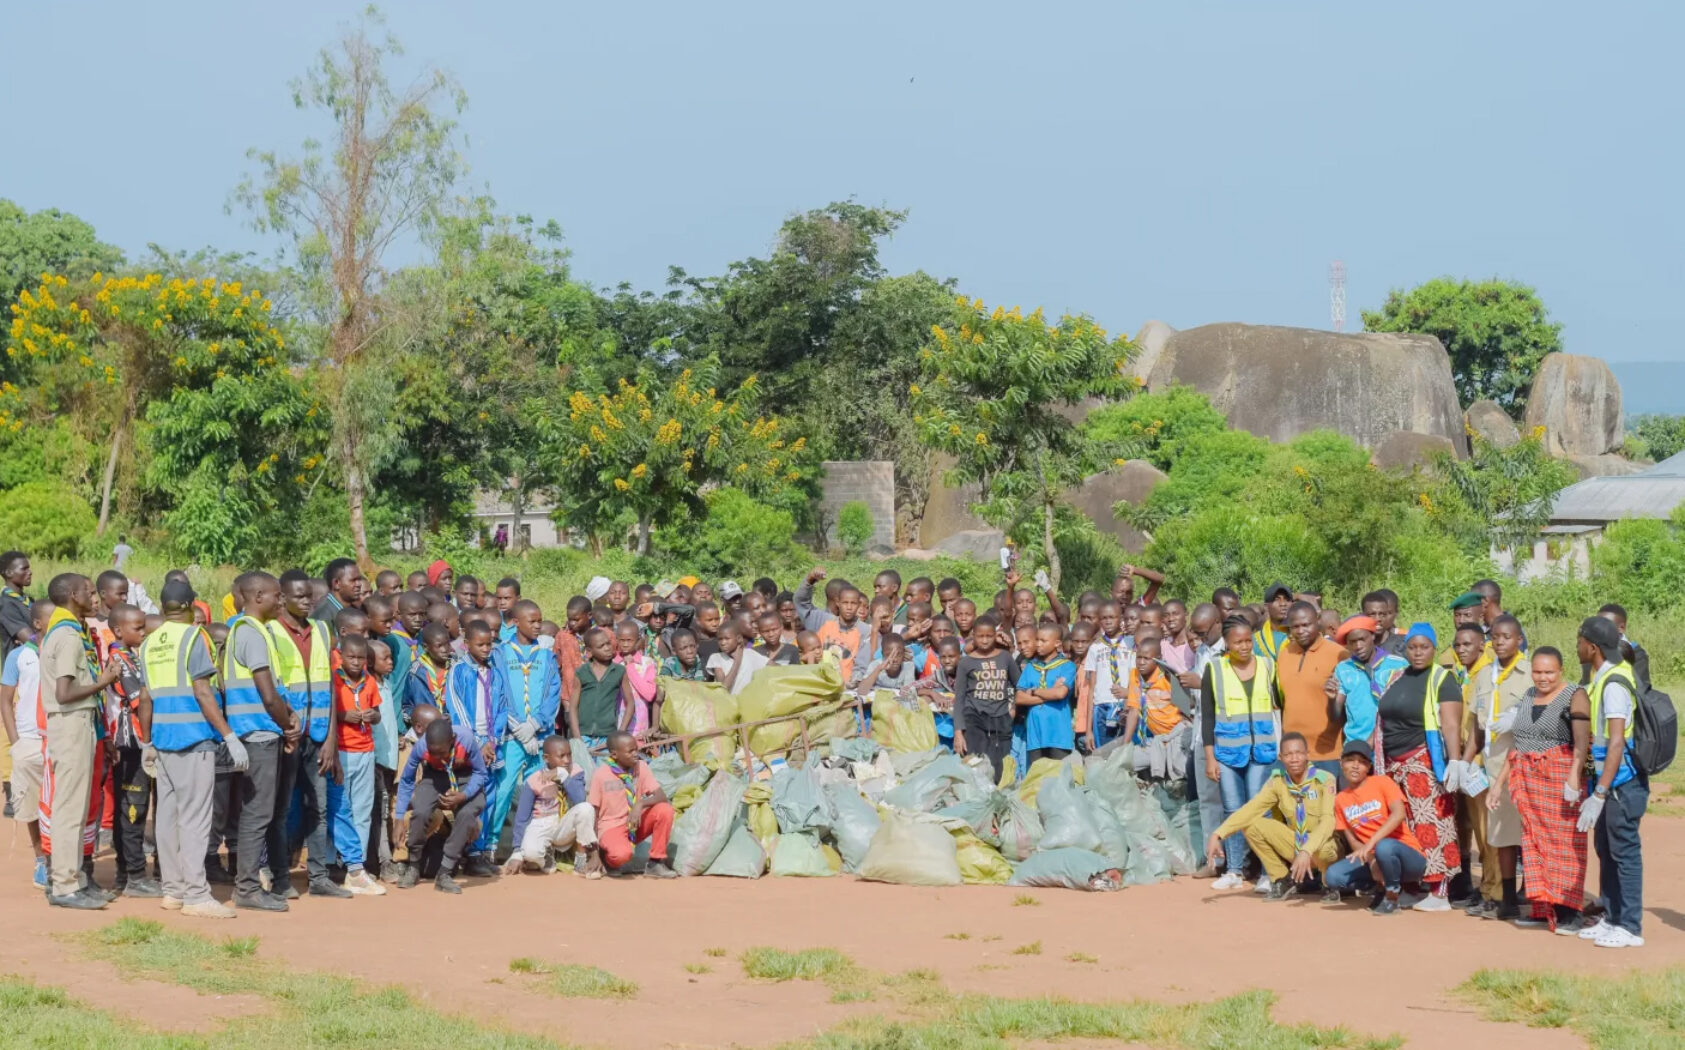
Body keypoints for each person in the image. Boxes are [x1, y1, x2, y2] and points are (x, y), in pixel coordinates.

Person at [139, 580, 241, 918]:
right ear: (190, 605)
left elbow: (145, 697)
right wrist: (228, 735)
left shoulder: (149, 643)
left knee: (167, 818)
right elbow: (202, 690)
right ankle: (196, 895)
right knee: (196, 819)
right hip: (194, 738)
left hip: (163, 740)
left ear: (162, 606)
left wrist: (147, 741)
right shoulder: (194, 637)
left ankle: (174, 890)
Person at [1486, 646, 1591, 933]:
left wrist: (1574, 777)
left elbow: (1582, 741)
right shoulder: (1529, 696)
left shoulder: (1575, 695)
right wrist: (1498, 784)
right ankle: (1542, 908)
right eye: (1537, 672)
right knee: (1534, 844)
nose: (1543, 678)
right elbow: (1517, 745)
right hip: (1529, 783)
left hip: (1560, 779)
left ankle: (1569, 911)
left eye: (1549, 672)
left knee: (1564, 845)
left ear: (1561, 671)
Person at [39, 574, 122, 909]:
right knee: (69, 808)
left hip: (81, 722)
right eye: (89, 592)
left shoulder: (74, 631)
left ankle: (75, 879)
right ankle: (64, 885)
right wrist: (104, 681)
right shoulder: (67, 635)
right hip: (70, 723)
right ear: (73, 595)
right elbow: (65, 692)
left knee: (77, 807)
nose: (94, 597)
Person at [222, 573, 298, 911]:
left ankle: (249, 886)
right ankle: (248, 889)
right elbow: (267, 695)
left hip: (258, 731)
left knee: (258, 813)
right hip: (258, 733)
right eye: (276, 595)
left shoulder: (253, 630)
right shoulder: (251, 633)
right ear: (257, 596)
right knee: (257, 814)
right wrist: (288, 725)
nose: (281, 601)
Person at [1375, 622, 1463, 909]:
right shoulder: (1396, 676)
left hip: (1423, 761)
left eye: (1424, 647)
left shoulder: (1442, 679)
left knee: (1432, 825)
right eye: (1412, 647)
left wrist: (1455, 762)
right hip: (1393, 765)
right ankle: (1413, 886)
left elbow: (1451, 724)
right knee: (1404, 828)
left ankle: (1439, 890)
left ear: (1434, 649)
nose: (1417, 652)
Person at [270, 569, 344, 899]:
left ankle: (319, 877)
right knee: (281, 809)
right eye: (299, 596)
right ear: (282, 598)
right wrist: (285, 727)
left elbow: (329, 686)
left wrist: (331, 740)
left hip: (317, 735)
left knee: (319, 808)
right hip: (286, 735)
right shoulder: (271, 632)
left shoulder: (322, 630)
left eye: (310, 596)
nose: (307, 602)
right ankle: (279, 877)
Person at [1576, 615, 1647, 949]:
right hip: (1607, 779)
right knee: (1606, 848)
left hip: (1622, 783)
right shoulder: (1602, 676)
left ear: (1593, 647)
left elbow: (1616, 742)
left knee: (1624, 852)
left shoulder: (1615, 683)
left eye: (1580, 641)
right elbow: (1600, 740)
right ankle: (1613, 916)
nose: (1577, 647)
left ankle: (1630, 925)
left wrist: (1601, 792)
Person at [1204, 732, 1338, 900]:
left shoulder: (1324, 780)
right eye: (1288, 754)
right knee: (1251, 825)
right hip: (1296, 842)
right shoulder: (1277, 782)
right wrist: (1218, 834)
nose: (1294, 759)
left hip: (1322, 845)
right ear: (1281, 758)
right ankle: (1281, 879)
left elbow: (1328, 821)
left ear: (1307, 755)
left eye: (1298, 753)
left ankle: (1329, 883)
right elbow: (1251, 809)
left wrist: (1307, 850)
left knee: (1324, 849)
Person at [1462, 615, 1531, 919]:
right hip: (1491, 764)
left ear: (1519, 640)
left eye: (1507, 637)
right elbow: (1477, 726)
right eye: (1496, 637)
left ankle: (1533, 894)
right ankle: (1506, 898)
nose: (1500, 642)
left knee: (1526, 833)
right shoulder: (1484, 675)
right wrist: (1464, 762)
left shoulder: (1529, 674)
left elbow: (1543, 716)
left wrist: (1520, 718)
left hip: (1521, 763)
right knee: (1500, 834)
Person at [1201, 615, 1277, 892]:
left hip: (1262, 752)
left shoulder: (1268, 666)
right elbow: (1208, 717)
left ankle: (1269, 872)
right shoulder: (1215, 669)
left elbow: (1279, 705)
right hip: (1227, 753)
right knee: (1232, 810)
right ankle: (1234, 870)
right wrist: (1210, 757)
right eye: (1238, 642)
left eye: (1248, 641)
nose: (1244, 647)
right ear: (1227, 643)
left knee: (1260, 809)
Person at [489, 600, 562, 864]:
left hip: (540, 738)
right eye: (532, 621)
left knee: (542, 793)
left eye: (540, 620)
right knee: (503, 789)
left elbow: (552, 694)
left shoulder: (547, 656)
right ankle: (489, 846)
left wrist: (535, 725)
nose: (537, 626)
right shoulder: (499, 654)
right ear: (516, 623)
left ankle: (536, 848)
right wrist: (519, 728)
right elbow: (498, 692)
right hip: (512, 736)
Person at [1326, 740, 1428, 914]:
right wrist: (1371, 859)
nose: (1355, 766)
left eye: (1362, 762)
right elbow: (1353, 841)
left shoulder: (1382, 782)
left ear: (1368, 767)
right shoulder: (1340, 799)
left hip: (1407, 857)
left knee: (1384, 846)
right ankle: (1380, 886)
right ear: (1341, 763)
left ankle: (1392, 896)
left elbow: (1399, 814)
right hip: (1374, 856)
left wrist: (1371, 844)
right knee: (1333, 876)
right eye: (1350, 760)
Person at [102, 603, 159, 897]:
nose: (143, 632)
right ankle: (134, 875)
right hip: (130, 742)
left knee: (133, 808)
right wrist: (149, 739)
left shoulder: (130, 656)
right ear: (118, 630)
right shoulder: (120, 660)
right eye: (138, 628)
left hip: (134, 742)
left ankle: (126, 873)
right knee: (133, 810)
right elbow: (140, 700)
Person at [394, 717, 489, 893]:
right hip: (435, 776)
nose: (437, 756)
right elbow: (406, 780)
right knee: (421, 811)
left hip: (466, 777)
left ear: (452, 740)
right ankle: (413, 866)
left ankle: (445, 872)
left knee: (466, 814)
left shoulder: (466, 740)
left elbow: (480, 773)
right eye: (433, 753)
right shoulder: (421, 746)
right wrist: (399, 817)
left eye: (442, 752)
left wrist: (464, 795)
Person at [443, 620, 505, 877]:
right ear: (467, 644)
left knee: (489, 798)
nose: (486, 649)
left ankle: (479, 852)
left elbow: (501, 709)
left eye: (489, 644)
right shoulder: (459, 671)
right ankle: (466, 853)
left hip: (490, 745)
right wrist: (478, 742)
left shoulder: (495, 673)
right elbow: (457, 710)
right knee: (471, 797)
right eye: (480, 644)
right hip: (468, 745)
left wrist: (492, 741)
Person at [326, 634, 384, 896]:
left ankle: (356, 866)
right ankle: (330, 861)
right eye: (351, 657)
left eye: (361, 658)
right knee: (338, 807)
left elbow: (378, 713)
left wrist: (372, 715)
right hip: (340, 751)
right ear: (341, 656)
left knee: (362, 808)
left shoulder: (369, 681)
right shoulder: (334, 680)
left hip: (365, 751)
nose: (356, 662)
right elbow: (328, 713)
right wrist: (343, 716)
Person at [2, 599, 52, 888]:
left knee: (60, 803)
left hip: (59, 740)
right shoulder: (19, 656)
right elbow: (6, 701)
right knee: (32, 805)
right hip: (29, 740)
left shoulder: (66, 651)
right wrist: (16, 743)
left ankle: (65, 858)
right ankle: (41, 859)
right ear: (37, 623)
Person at [1273, 600, 1347, 780]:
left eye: (1306, 625)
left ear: (1318, 621)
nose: (1301, 631)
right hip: (1293, 753)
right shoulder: (1284, 654)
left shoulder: (1339, 654)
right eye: (1295, 626)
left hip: (1327, 752)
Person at [504, 735, 598, 877]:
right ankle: (545, 858)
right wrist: (517, 851)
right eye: (561, 756)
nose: (567, 760)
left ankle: (580, 862)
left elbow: (580, 799)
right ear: (546, 758)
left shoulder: (575, 771)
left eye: (569, 755)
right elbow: (522, 818)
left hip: (565, 825)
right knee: (530, 853)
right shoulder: (534, 780)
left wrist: (563, 774)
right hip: (542, 824)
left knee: (586, 808)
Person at [587, 730, 676, 877]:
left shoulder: (641, 767)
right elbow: (593, 814)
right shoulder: (601, 775)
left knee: (665, 810)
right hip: (610, 827)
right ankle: (607, 858)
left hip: (634, 824)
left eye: (636, 749)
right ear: (614, 754)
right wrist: (594, 853)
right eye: (630, 751)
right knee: (622, 855)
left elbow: (661, 796)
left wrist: (640, 804)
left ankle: (655, 863)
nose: (636, 754)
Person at [1329, 616, 1406, 757]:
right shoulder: (1343, 669)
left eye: (1362, 639)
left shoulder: (1398, 665)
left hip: (1391, 744)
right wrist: (1331, 699)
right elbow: (1335, 715)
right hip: (1357, 747)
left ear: (1372, 636)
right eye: (1352, 642)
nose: (1358, 646)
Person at [953, 620, 1017, 779]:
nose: (985, 640)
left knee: (999, 767)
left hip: (1001, 717)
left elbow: (1020, 685)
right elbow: (959, 698)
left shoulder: (1005, 657)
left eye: (989, 636)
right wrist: (958, 732)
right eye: (980, 636)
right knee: (976, 762)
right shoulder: (965, 662)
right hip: (974, 717)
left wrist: (1013, 709)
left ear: (995, 636)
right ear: (973, 636)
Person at [1015, 624, 1076, 763]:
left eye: (1043, 641)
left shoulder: (1067, 666)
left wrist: (1034, 691)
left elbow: (1060, 694)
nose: (1038, 644)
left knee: (1059, 773)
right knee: (1037, 774)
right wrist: (1049, 694)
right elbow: (1019, 698)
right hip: (1035, 734)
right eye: (1037, 640)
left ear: (1057, 643)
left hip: (1058, 734)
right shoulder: (1031, 667)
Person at [795, 568, 870, 681]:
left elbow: (861, 666)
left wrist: (852, 685)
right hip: (818, 683)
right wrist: (810, 579)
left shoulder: (865, 631)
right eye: (845, 603)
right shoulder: (822, 620)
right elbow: (801, 602)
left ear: (858, 604)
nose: (849, 607)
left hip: (845, 686)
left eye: (853, 603)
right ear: (838, 602)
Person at [1084, 601, 1135, 748]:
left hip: (1126, 705)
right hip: (1102, 706)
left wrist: (1129, 698)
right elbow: (1091, 688)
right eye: (1104, 618)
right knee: (1103, 754)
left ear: (1121, 618)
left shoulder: (1131, 643)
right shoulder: (1095, 648)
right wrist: (1088, 731)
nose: (1108, 621)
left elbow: (1135, 677)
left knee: (1125, 752)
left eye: (1112, 617)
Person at [570, 627, 631, 748]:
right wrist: (577, 737)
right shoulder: (581, 672)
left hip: (608, 736)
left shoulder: (619, 671)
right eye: (601, 646)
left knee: (606, 761)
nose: (607, 648)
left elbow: (630, 703)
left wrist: (621, 732)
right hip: (583, 736)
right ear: (589, 652)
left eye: (608, 643)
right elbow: (573, 707)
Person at [613, 619, 659, 733]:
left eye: (629, 640)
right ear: (616, 640)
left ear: (638, 640)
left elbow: (649, 694)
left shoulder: (647, 663)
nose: (625, 644)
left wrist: (630, 667)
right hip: (615, 724)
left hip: (639, 726)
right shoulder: (612, 663)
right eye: (622, 640)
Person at [708, 621, 768, 696]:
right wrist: (737, 660)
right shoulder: (716, 658)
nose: (723, 643)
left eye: (727, 639)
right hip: (729, 702)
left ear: (738, 638)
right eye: (720, 639)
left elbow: (775, 667)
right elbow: (723, 688)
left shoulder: (750, 654)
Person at [311, 558, 366, 630]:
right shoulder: (323, 618)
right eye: (353, 580)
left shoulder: (354, 609)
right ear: (336, 583)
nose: (359, 584)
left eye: (359, 579)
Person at [1254, 583, 1293, 659]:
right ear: (1266, 607)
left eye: (1287, 599)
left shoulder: (1301, 636)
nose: (1283, 604)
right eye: (1276, 599)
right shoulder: (1256, 640)